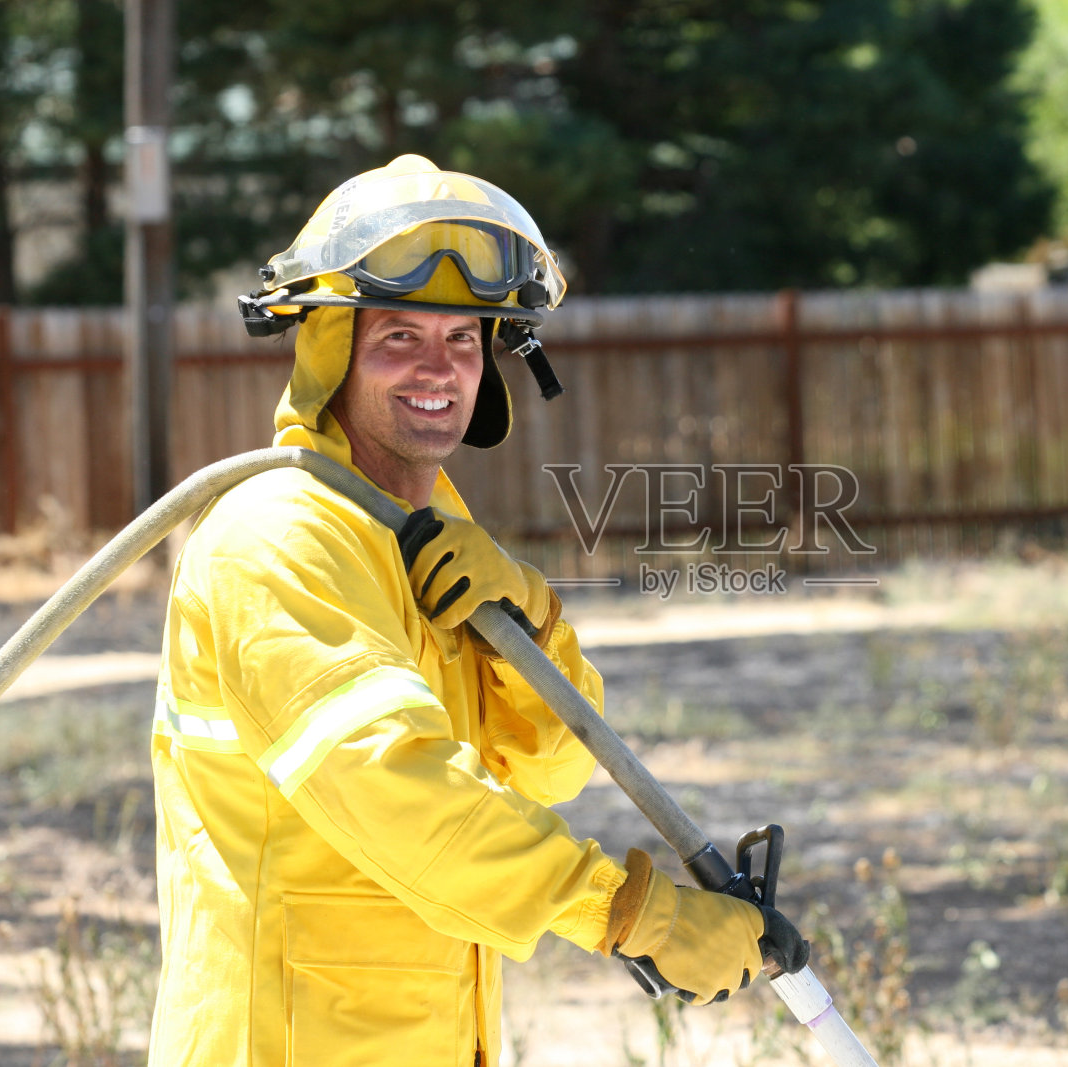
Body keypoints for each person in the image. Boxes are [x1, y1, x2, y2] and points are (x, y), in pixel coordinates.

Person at [148, 155, 807, 1067]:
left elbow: (554, 770)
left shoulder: (427, 536)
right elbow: (394, 787)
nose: (439, 369)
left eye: (464, 339)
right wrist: (627, 912)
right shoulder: (277, 536)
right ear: (328, 351)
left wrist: (529, 623)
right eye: (399, 338)